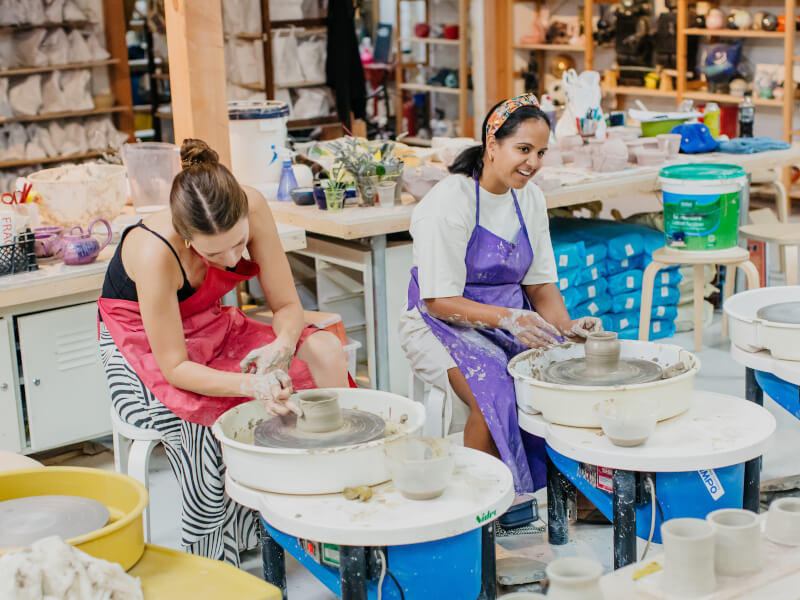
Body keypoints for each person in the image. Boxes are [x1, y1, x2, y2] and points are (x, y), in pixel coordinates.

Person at [98, 139, 349, 564]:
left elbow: (288, 307)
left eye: (240, 244)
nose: (234, 259)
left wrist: (284, 346)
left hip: (211, 322)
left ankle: (315, 508)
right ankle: (215, 555)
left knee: (319, 354)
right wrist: (251, 383)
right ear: (186, 236)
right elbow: (175, 366)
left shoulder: (250, 206)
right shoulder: (153, 250)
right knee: (198, 415)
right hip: (141, 339)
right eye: (216, 253)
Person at [399, 94, 602, 493]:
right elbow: (438, 300)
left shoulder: (531, 198)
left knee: (558, 376)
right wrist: (510, 319)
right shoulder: (449, 201)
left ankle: (566, 493)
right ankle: (480, 505)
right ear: (493, 145)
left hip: (512, 318)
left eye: (540, 152)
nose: (533, 163)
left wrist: (567, 328)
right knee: (494, 391)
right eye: (523, 149)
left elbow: (540, 285)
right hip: (439, 322)